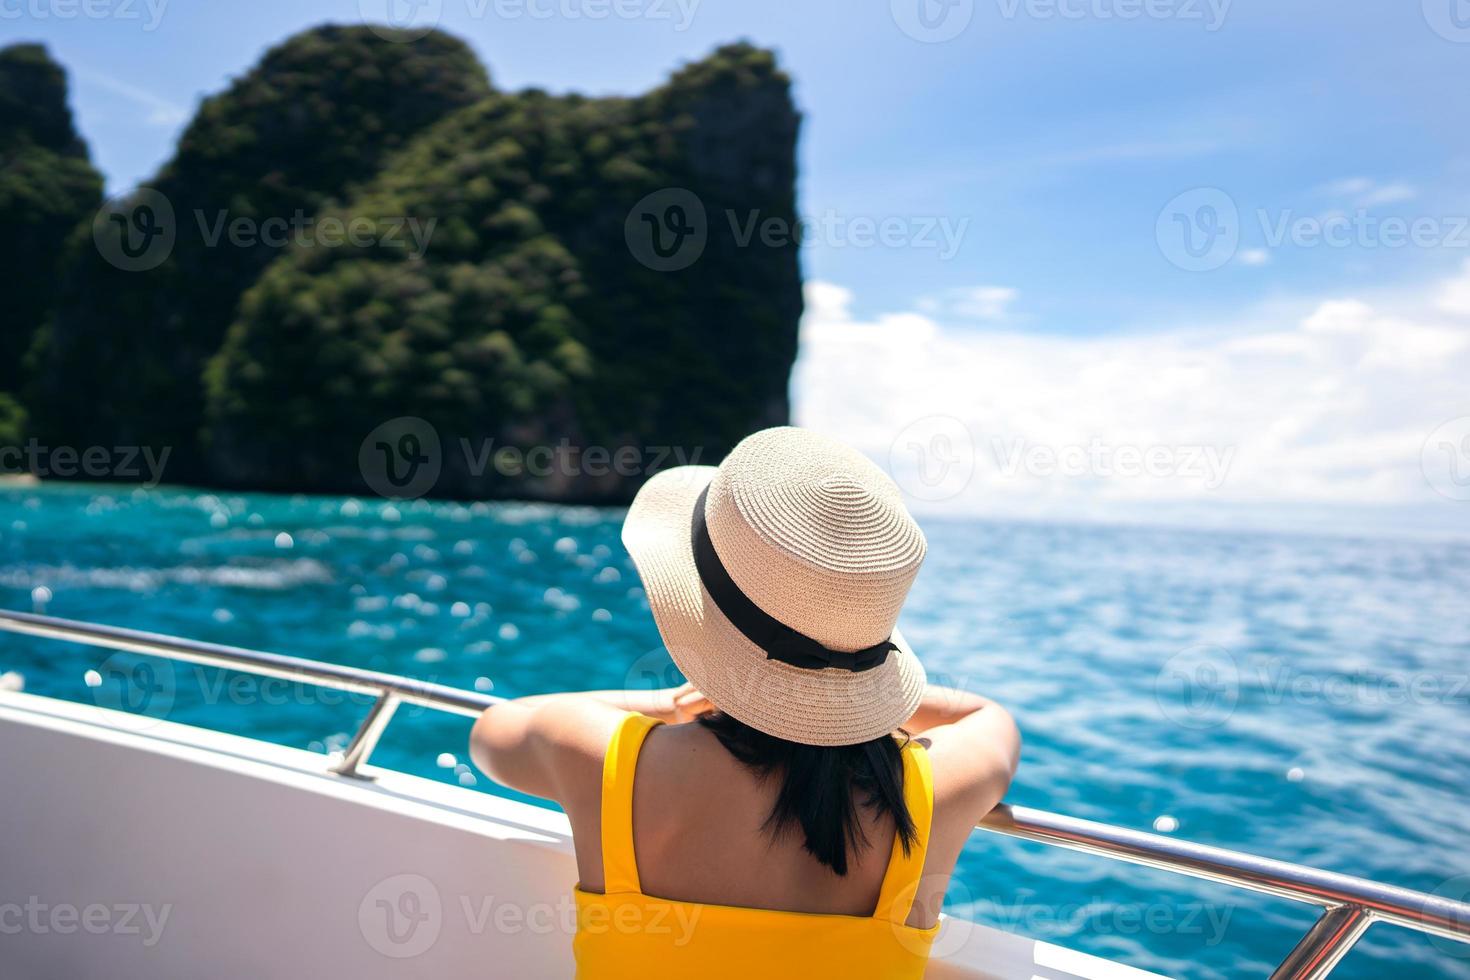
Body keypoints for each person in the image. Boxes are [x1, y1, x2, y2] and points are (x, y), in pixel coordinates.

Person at [471, 427, 1020, 978]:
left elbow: (495, 729)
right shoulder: (934, 795)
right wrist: (842, 688)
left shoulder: (601, 757)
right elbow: (989, 719)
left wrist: (667, 704)